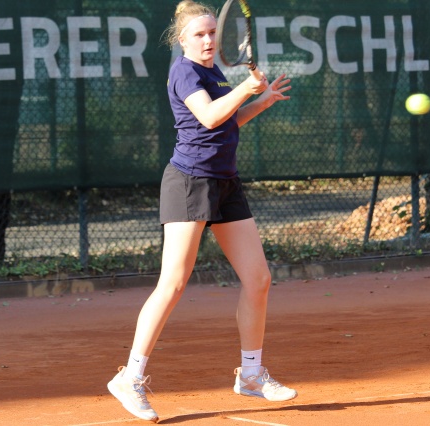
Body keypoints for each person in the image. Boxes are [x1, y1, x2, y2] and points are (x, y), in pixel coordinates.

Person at [107, 0, 295, 422]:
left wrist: (262, 101)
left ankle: (251, 374)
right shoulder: (184, 71)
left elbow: (227, 123)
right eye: (200, 34)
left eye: (213, 33)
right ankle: (129, 378)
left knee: (259, 279)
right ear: (182, 39)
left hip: (225, 182)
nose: (209, 40)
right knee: (173, 283)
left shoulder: (214, 73)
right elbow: (209, 117)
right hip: (190, 182)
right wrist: (246, 89)